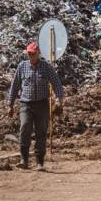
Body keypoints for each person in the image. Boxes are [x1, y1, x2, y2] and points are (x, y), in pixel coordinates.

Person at [8, 41, 64, 171]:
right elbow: (15, 86)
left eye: (33, 54)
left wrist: (59, 99)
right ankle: (24, 159)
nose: (30, 56)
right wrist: (10, 104)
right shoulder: (22, 66)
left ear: (38, 54)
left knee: (41, 132)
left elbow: (56, 82)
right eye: (29, 54)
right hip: (25, 104)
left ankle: (40, 162)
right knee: (25, 127)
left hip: (42, 104)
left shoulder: (46, 67)